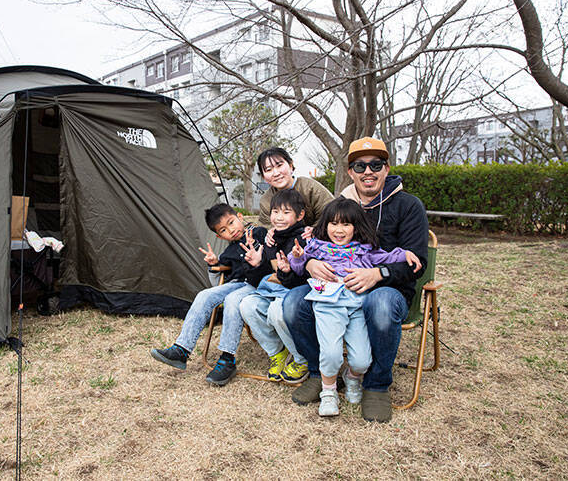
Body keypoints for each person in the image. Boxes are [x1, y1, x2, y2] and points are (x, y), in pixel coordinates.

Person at [283, 137, 429, 422]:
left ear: (387, 168)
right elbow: (312, 241)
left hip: (388, 289)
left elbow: (416, 263)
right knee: (291, 304)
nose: (368, 172)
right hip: (336, 288)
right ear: (350, 172)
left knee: (381, 303)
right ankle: (320, 373)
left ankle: (376, 385)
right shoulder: (340, 206)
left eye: (375, 165)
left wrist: (377, 273)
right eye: (359, 166)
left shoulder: (408, 206)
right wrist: (311, 262)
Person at [150, 203, 268, 387]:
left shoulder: (259, 233)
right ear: (219, 236)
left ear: (240, 217)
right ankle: (181, 350)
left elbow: (272, 256)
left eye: (231, 222)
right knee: (205, 295)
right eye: (224, 230)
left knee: (231, 300)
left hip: (258, 284)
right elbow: (217, 283)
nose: (231, 230)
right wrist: (214, 265)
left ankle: (227, 359)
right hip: (237, 284)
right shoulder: (229, 251)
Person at [238, 189, 310, 384]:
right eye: (275, 212)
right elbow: (266, 274)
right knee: (246, 305)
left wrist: (286, 272)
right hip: (272, 290)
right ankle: (277, 352)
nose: (279, 218)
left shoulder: (304, 238)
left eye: (286, 212)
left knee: (277, 312)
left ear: (300, 215)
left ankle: (302, 359)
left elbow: (303, 278)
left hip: (296, 294)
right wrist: (255, 265)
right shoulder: (271, 239)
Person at [256, 147, 333, 230]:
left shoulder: (311, 188)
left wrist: (314, 231)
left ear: (290, 165)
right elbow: (265, 227)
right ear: (263, 176)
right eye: (268, 169)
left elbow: (332, 214)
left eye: (279, 165)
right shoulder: (266, 200)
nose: (276, 173)